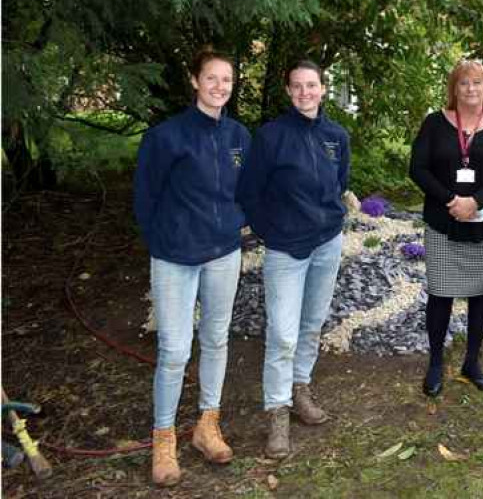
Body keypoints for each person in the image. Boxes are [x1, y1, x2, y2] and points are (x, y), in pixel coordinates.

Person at [134, 49, 251, 486]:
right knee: (175, 350)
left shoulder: (240, 136)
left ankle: (207, 424)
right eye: (212, 78)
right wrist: (163, 242)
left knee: (216, 339)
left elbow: (248, 188)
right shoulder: (166, 137)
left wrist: (238, 223)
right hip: (176, 258)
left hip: (223, 254)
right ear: (195, 81)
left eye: (227, 80)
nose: (220, 86)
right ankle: (163, 438)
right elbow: (145, 199)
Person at [236, 60, 350, 459]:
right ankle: (277, 411)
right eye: (297, 86)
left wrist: (331, 222)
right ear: (288, 91)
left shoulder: (336, 136)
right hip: (286, 249)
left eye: (312, 85)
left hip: (326, 244)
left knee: (311, 324)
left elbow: (340, 184)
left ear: (322, 89)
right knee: (282, 333)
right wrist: (272, 231)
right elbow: (249, 193)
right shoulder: (270, 137)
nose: (305, 92)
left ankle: (300, 388)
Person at [408, 60, 483, 397]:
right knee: (440, 293)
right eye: (463, 84)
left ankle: (472, 361)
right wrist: (451, 201)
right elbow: (418, 169)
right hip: (444, 222)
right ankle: (436, 362)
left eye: (477, 83)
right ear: (453, 89)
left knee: (480, 293)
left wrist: (476, 202)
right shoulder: (434, 123)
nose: (471, 89)